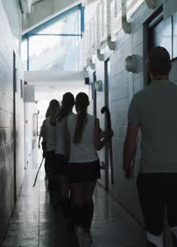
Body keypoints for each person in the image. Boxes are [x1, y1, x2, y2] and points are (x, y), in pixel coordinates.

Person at [123, 46, 177, 247]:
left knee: (154, 233)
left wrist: (127, 165)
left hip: (151, 175)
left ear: (149, 68)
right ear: (170, 68)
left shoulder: (139, 99)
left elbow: (131, 140)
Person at [65, 92, 113, 246]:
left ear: (76, 105)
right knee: (88, 200)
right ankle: (86, 230)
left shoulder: (68, 121)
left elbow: (67, 147)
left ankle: (79, 230)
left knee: (77, 200)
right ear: (87, 104)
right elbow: (97, 146)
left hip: (74, 165)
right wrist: (107, 137)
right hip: (91, 165)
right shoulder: (95, 121)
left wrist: (69, 163)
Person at [50, 93, 75, 215]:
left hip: (59, 155)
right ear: (74, 104)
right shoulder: (73, 117)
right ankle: (73, 215)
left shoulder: (58, 118)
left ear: (62, 103)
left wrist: (60, 107)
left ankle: (66, 215)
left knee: (64, 187)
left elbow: (51, 120)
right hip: (72, 156)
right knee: (74, 188)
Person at [40, 99, 60, 192]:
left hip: (50, 153)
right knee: (61, 180)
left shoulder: (46, 122)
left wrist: (44, 152)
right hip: (61, 153)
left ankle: (53, 199)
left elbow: (44, 139)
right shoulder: (64, 120)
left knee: (51, 179)